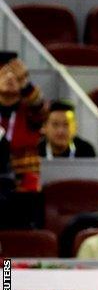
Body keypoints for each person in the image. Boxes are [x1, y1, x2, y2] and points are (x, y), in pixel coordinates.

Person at [0, 52, 47, 191]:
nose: (9, 77)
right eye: (4, 73)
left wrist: (25, 83)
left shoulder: (30, 110)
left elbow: (40, 107)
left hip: (24, 179)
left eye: (15, 76)